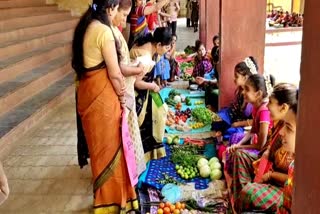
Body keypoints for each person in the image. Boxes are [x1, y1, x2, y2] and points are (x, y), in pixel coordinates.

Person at [72, 0, 138, 212]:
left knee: (100, 153)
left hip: (88, 96)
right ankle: (111, 202)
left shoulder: (86, 26)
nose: (120, 15)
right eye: (119, 10)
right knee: (112, 151)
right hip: (102, 102)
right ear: (110, 8)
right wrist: (122, 97)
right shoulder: (103, 31)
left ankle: (104, 200)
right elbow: (115, 73)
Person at [232, 83, 298, 211]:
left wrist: (270, 175)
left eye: (271, 103)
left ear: (283, 107)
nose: (267, 106)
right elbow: (266, 150)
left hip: (281, 187)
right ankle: (243, 195)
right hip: (269, 170)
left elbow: (291, 178)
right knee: (240, 155)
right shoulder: (281, 126)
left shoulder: (293, 135)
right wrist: (266, 154)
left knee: (249, 192)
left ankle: (246, 195)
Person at [113, 0, 147, 177]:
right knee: (124, 134)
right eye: (124, 15)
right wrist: (137, 69)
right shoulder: (107, 33)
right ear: (112, 9)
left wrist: (133, 67)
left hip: (123, 88)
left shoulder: (113, 31)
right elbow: (117, 69)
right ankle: (127, 173)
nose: (125, 20)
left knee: (128, 133)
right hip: (120, 91)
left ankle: (131, 170)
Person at [130, 27, 172, 161]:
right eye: (166, 48)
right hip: (135, 93)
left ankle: (148, 153)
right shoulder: (145, 57)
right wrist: (153, 86)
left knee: (159, 109)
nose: (167, 51)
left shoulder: (151, 44)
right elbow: (136, 83)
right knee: (153, 118)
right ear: (158, 44)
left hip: (143, 89)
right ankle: (140, 157)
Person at [226, 74, 275, 177]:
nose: (243, 92)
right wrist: (239, 144)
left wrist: (240, 147)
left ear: (258, 94)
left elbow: (261, 146)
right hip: (257, 144)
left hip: (264, 153)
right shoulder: (255, 107)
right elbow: (252, 131)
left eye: (247, 89)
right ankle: (232, 175)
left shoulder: (264, 112)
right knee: (234, 138)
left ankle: (242, 185)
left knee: (237, 153)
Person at [212, 57, 258, 156]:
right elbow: (234, 108)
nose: (234, 79)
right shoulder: (240, 90)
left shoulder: (252, 95)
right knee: (217, 117)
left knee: (231, 132)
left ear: (245, 77)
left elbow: (253, 121)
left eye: (236, 76)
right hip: (233, 116)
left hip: (244, 125)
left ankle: (223, 136)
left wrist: (238, 124)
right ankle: (221, 131)